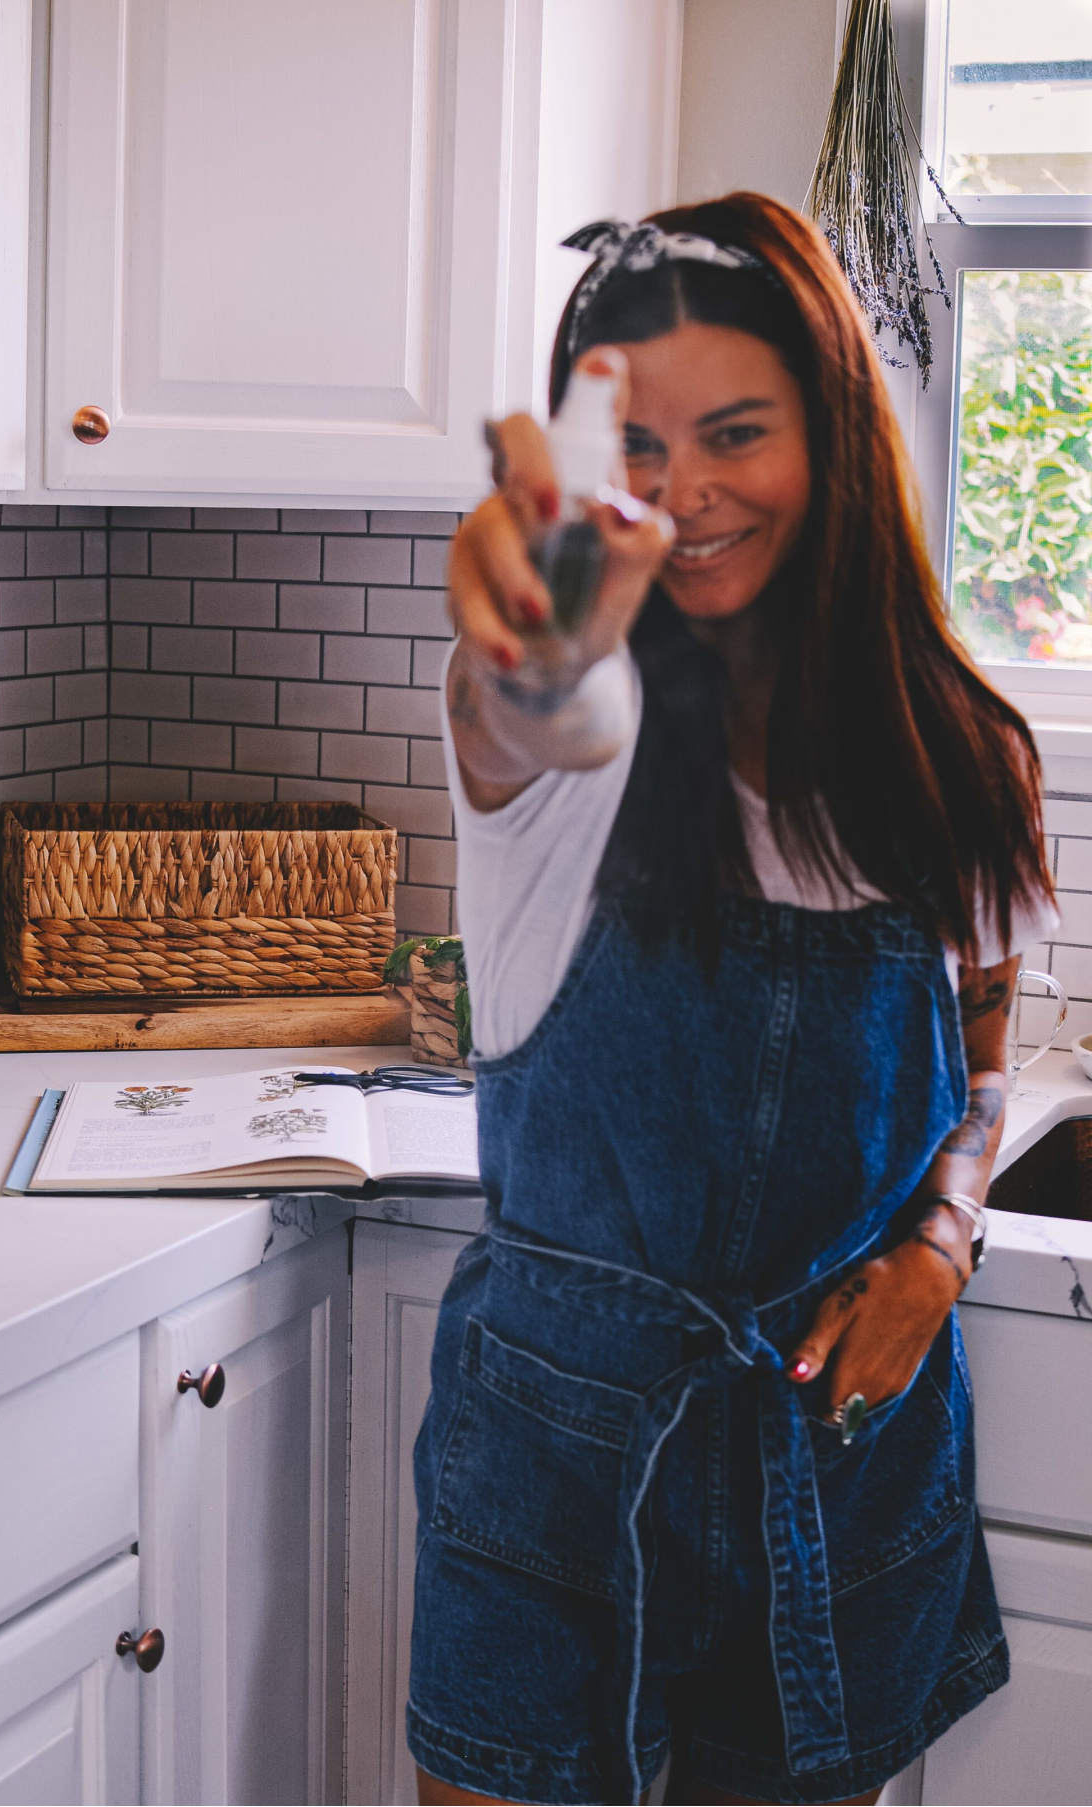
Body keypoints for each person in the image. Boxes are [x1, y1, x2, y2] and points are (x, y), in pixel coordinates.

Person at [408, 194, 1058, 1807]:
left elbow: (983, 1053)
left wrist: (938, 1243)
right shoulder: (584, 744)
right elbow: (528, 709)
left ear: (830, 430)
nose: (683, 494)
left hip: (828, 1474)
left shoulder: (960, 758)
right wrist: (529, 649)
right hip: (555, 1486)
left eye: (737, 432)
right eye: (632, 442)